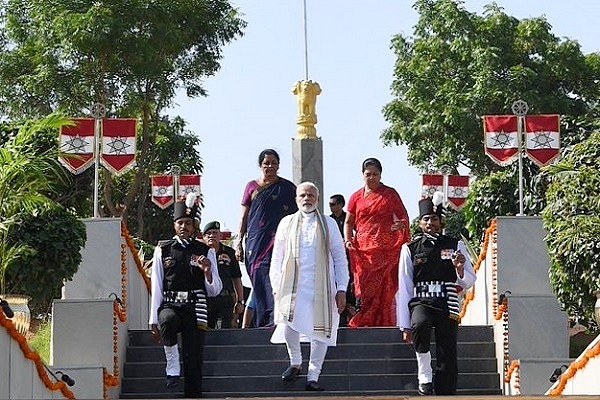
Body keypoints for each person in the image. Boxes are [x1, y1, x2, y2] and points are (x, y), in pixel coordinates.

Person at [270, 182, 349, 391]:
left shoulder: (329, 224)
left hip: (322, 287)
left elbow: (340, 258)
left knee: (320, 332)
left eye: (311, 195)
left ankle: (313, 375)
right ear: (297, 199)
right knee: (287, 323)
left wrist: (341, 288)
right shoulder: (286, 223)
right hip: (291, 286)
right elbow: (276, 258)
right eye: (303, 195)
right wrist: (276, 286)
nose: (307, 199)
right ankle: (295, 362)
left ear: (317, 198)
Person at [396, 193, 476, 396]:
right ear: (420, 223)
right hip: (421, 299)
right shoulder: (410, 248)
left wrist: (459, 269)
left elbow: (469, 280)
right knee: (420, 325)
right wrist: (404, 324)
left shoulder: (454, 245)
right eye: (426, 219)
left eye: (434, 219)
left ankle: (445, 393)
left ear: (440, 221)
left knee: (447, 352)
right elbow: (404, 285)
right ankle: (424, 374)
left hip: (446, 299)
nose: (430, 223)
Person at [149, 193, 222, 398]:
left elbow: (215, 289)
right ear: (174, 225)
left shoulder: (205, 251)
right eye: (180, 222)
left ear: (194, 226)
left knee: (194, 358)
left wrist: (207, 272)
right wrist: (153, 319)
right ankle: (172, 366)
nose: (184, 227)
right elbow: (156, 285)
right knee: (168, 320)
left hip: (195, 307)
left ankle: (193, 395)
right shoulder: (163, 250)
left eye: (188, 223)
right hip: (171, 304)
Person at [344, 157, 410, 327]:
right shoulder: (355, 197)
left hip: (386, 249)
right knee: (364, 287)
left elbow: (403, 216)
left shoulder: (390, 194)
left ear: (380, 175)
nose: (371, 177)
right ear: (362, 175)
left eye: (375, 174)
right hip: (363, 250)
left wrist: (400, 225)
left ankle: (382, 322)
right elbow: (348, 222)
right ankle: (363, 319)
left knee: (384, 288)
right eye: (368, 174)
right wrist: (347, 239)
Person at [236, 149, 298, 327]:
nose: (270, 166)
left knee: (276, 278)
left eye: (273, 163)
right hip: (255, 242)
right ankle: (262, 321)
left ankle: (274, 320)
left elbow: (296, 216)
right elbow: (244, 217)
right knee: (259, 277)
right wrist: (239, 241)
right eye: (266, 163)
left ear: (278, 165)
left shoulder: (287, 188)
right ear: (260, 165)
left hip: (279, 241)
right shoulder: (251, 187)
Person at [203, 220, 245, 329]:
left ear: (220, 235)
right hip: (205, 300)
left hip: (225, 299)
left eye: (215, 233)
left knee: (223, 330)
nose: (212, 236)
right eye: (208, 233)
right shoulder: (200, 253)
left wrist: (240, 301)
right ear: (203, 237)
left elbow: (237, 279)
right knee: (205, 333)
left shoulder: (229, 252)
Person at [329, 194, 355, 327]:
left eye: (333, 204)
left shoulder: (348, 219)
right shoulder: (328, 220)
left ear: (341, 204)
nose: (331, 207)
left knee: (348, 287)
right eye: (330, 205)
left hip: (348, 259)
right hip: (333, 260)